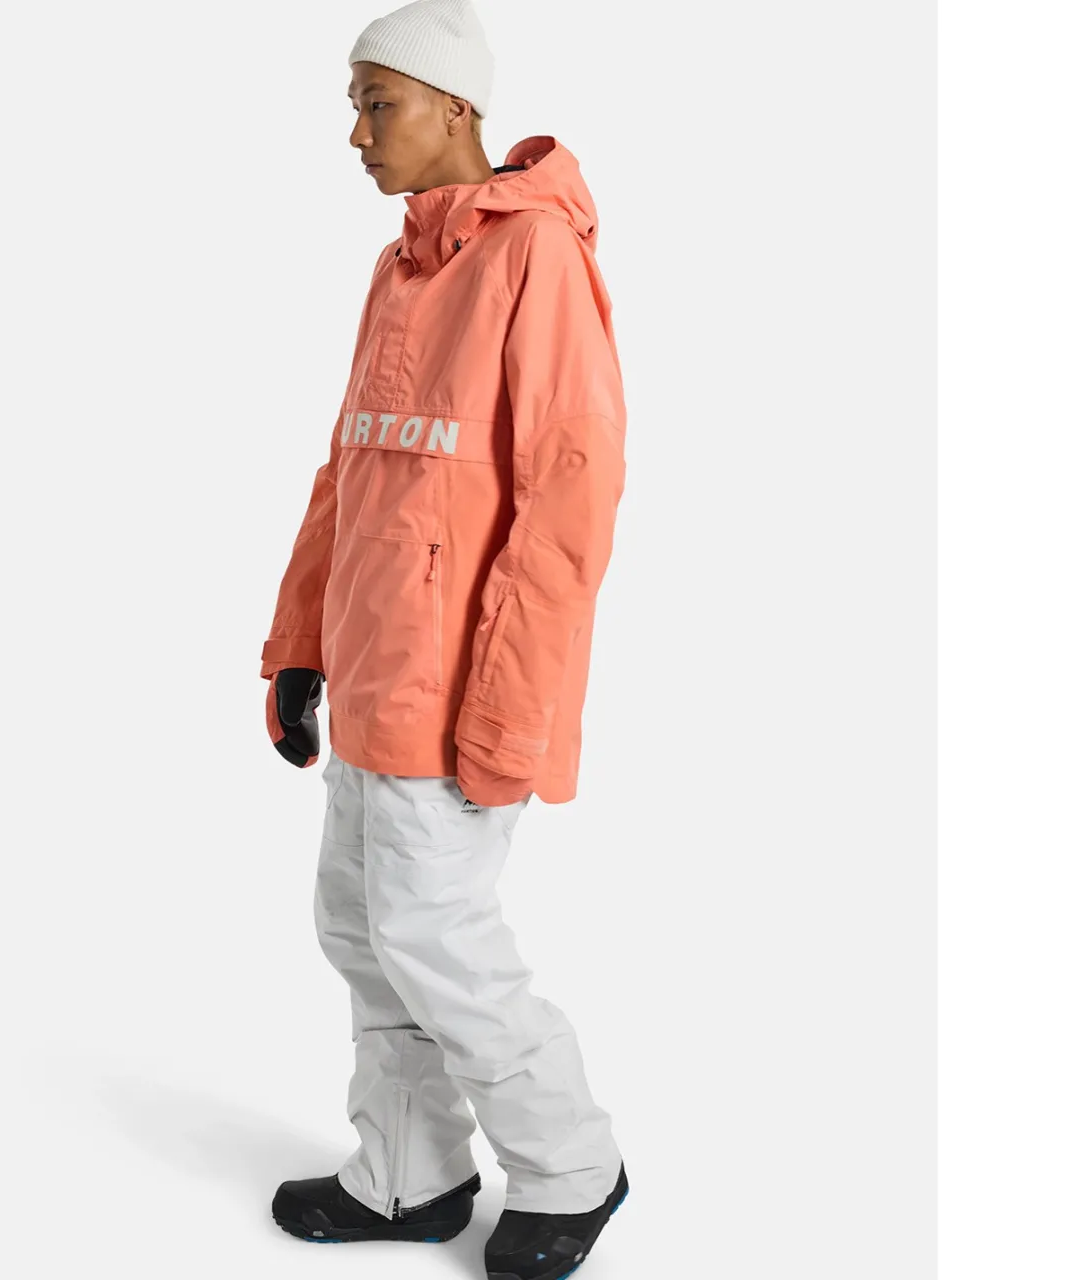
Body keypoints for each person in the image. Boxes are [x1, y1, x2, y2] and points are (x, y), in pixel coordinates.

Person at [261, 2, 629, 1275]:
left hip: (455, 690)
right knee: (361, 930)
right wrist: (298, 645)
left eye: (380, 104)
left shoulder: (534, 257)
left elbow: (567, 500)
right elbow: (352, 473)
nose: (357, 133)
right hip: (371, 672)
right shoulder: (401, 268)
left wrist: (509, 710)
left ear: (455, 107)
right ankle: (408, 1173)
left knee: (436, 941)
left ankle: (572, 1166)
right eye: (354, 106)